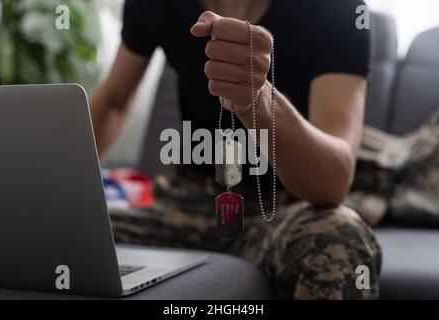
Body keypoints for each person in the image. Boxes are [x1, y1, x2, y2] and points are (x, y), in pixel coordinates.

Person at [90, 0, 381, 299]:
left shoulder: (339, 9)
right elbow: (114, 101)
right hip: (184, 202)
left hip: (276, 213)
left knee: (340, 236)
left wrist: (257, 98)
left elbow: (334, 181)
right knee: (54, 231)